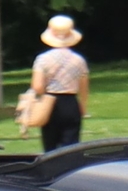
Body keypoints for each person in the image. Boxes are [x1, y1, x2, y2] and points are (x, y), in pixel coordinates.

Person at [29, 15, 90, 152]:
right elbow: (84, 87)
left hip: (50, 103)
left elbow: (37, 87)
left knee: (50, 148)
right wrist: (83, 106)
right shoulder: (79, 60)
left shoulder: (43, 59)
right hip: (71, 102)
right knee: (71, 148)